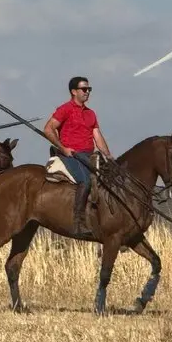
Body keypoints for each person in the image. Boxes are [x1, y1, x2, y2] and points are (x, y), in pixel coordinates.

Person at [43, 76, 114, 236]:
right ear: (74, 91)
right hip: (71, 155)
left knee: (109, 180)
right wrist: (63, 148)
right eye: (84, 89)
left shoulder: (91, 114)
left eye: (89, 89)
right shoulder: (65, 109)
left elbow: (97, 136)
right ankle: (78, 223)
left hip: (89, 155)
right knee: (86, 181)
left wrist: (108, 156)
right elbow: (48, 129)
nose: (87, 92)